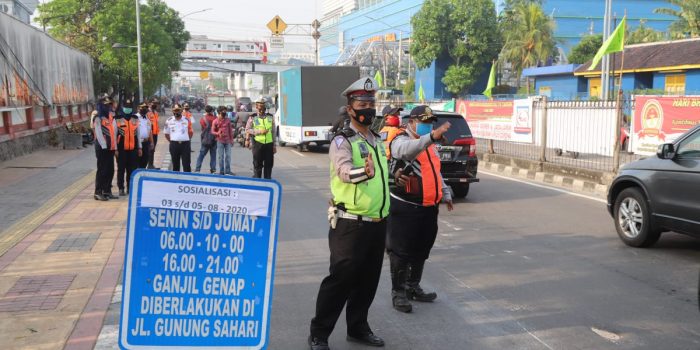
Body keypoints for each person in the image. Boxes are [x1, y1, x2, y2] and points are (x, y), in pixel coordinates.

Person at [309, 77, 390, 350]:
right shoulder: (342, 142)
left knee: (368, 281)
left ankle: (358, 327)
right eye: (362, 103)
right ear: (350, 107)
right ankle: (319, 334)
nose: (368, 107)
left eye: (371, 102)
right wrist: (363, 172)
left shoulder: (377, 140)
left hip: (377, 223)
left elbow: (380, 177)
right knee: (339, 282)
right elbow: (344, 172)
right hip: (349, 224)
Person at [386, 105, 454, 313]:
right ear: (412, 122)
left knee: (422, 249)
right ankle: (399, 293)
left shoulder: (430, 145)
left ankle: (413, 286)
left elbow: (435, 171)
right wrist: (431, 137)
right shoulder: (400, 139)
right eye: (423, 122)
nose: (427, 126)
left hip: (428, 207)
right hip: (405, 207)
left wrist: (446, 192)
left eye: (430, 123)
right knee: (400, 252)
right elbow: (406, 151)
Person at [93, 96, 118, 201]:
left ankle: (107, 191)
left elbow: (114, 134)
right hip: (102, 148)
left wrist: (114, 147)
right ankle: (98, 192)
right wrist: (104, 146)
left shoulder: (111, 117)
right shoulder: (98, 117)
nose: (108, 107)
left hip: (110, 148)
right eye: (106, 105)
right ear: (101, 105)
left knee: (110, 170)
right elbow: (98, 134)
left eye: (109, 105)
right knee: (102, 170)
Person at [115, 99, 143, 196]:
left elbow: (138, 134)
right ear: (123, 107)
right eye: (126, 107)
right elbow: (115, 135)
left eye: (129, 107)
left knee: (132, 170)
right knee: (121, 169)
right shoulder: (117, 119)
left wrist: (140, 147)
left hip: (133, 149)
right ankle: (121, 188)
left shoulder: (135, 118)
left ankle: (130, 188)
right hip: (121, 150)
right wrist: (116, 149)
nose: (128, 109)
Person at [246, 97, 276, 179]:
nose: (262, 110)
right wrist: (259, 131)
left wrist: (274, 146)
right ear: (256, 107)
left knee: (269, 165)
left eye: (263, 107)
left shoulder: (270, 117)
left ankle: (267, 182)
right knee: (257, 165)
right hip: (258, 144)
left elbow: (273, 132)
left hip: (269, 144)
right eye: (260, 107)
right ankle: (258, 182)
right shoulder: (253, 117)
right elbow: (248, 129)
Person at [163, 104, 193, 172]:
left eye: (178, 110)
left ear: (181, 110)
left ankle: (187, 180)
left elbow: (190, 132)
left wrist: (185, 139)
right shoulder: (169, 120)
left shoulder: (186, 120)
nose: (176, 112)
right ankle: (176, 181)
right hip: (174, 145)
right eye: (174, 111)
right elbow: (166, 134)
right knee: (175, 165)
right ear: (172, 111)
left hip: (185, 144)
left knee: (186, 164)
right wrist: (172, 141)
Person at [195, 105, 217, 173]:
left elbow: (203, 127)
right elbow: (217, 128)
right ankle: (213, 169)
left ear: (205, 111)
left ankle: (197, 169)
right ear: (212, 111)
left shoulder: (203, 119)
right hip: (214, 139)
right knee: (213, 155)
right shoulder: (215, 118)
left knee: (201, 155)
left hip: (205, 139)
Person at [212, 106, 235, 175]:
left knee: (228, 156)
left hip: (227, 141)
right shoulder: (215, 121)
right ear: (219, 112)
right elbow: (212, 131)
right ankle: (221, 172)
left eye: (225, 111)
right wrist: (218, 133)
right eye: (223, 111)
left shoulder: (227, 120)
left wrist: (232, 140)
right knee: (221, 157)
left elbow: (230, 131)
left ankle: (228, 171)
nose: (225, 113)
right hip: (220, 141)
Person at [135, 103, 154, 168]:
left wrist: (152, 142)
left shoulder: (147, 119)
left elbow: (150, 131)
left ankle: (142, 175)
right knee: (137, 161)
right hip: (138, 143)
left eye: (145, 108)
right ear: (138, 108)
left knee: (145, 160)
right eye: (142, 107)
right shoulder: (134, 118)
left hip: (146, 142)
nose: (144, 109)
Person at [147, 101, 160, 169]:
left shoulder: (156, 113)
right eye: (153, 103)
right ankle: (149, 165)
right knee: (150, 149)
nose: (155, 105)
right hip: (150, 134)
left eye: (156, 103)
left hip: (155, 134)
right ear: (150, 104)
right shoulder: (148, 113)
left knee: (153, 149)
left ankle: (151, 164)